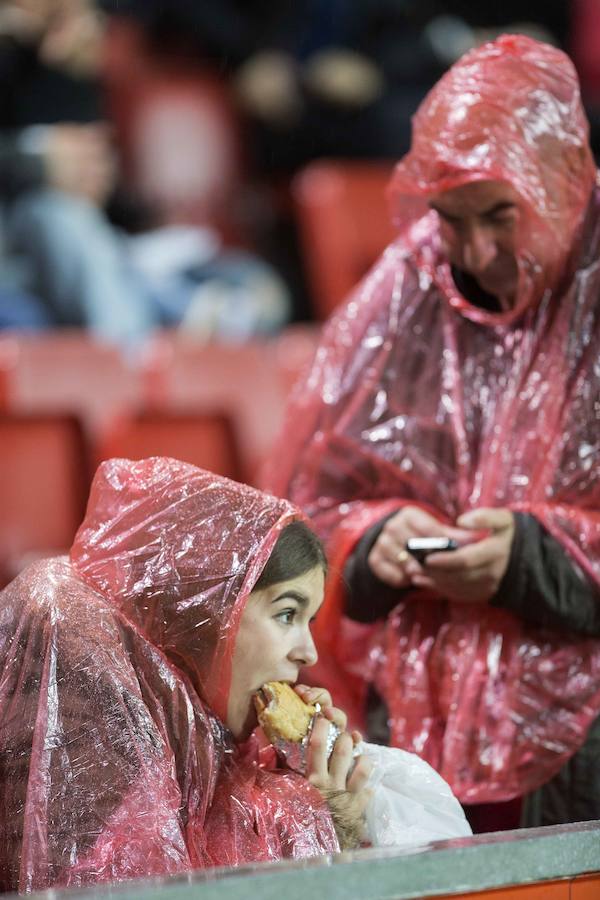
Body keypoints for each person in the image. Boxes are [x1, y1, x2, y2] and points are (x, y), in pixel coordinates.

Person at [266, 34, 600, 829]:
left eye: (500, 216)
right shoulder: (411, 290)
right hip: (417, 732)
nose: (475, 252)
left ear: (565, 178)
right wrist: (372, 545)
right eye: (452, 219)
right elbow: (307, 509)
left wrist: (532, 558)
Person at [0, 457, 377, 893]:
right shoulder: (85, 705)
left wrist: (291, 777)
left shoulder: (189, 720)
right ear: (207, 609)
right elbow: (133, 889)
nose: (307, 653)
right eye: (287, 613)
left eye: (309, 621)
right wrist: (317, 827)